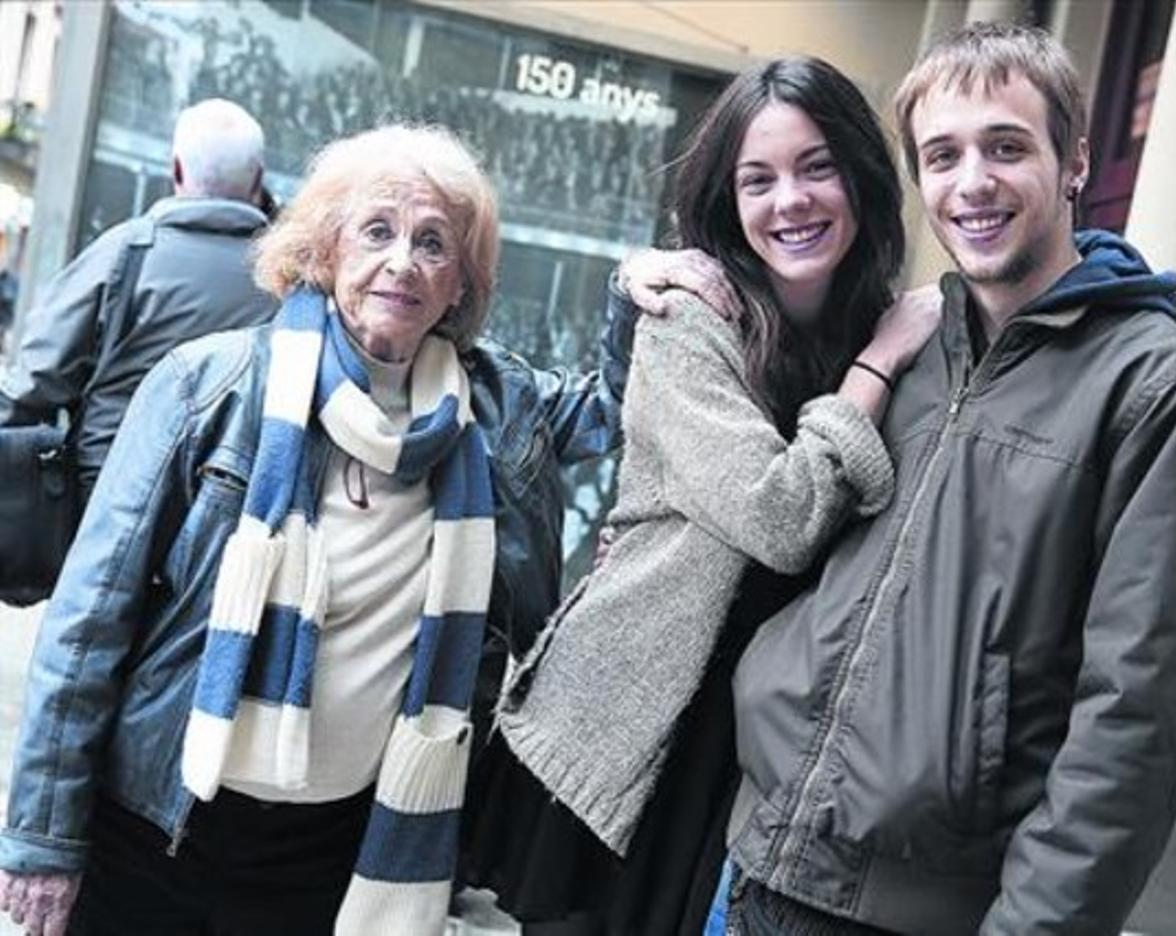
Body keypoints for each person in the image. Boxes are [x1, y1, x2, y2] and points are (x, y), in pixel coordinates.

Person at [0, 122, 636, 936]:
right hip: (158, 833)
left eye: (434, 243)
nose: (403, 261)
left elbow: (615, 407)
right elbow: (88, 622)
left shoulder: (494, 411)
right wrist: (44, 839)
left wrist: (640, 287)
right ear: (326, 247)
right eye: (378, 231)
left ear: (460, 286)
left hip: (337, 856)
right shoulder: (207, 385)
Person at [724, 22, 1176, 935]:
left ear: (1076, 161)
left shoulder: (1154, 387)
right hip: (758, 862)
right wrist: (660, 284)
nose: (971, 182)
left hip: (924, 912)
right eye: (942, 155)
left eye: (1007, 147)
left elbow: (1133, 721)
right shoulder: (905, 340)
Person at [460, 57, 941, 935]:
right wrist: (877, 368)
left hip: (777, 734)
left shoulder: (887, 321)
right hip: (642, 727)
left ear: (862, 177)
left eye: (816, 166)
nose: (789, 200)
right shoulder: (692, 322)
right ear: (728, 199)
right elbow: (781, 518)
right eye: (757, 179)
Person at [0, 98, 274, 501]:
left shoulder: (124, 253)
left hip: (104, 497)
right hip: (222, 511)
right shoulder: (284, 279)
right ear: (258, 180)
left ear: (176, 169)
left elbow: (38, 378)